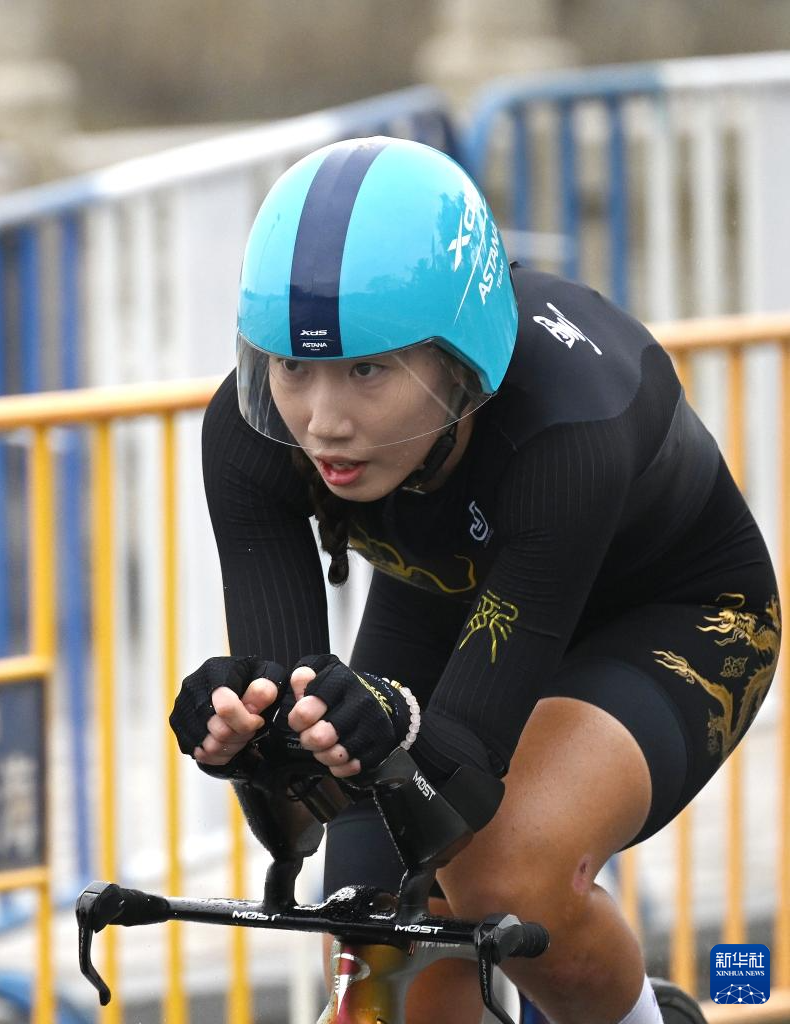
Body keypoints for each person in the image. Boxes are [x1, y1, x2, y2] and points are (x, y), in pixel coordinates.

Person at [169, 136, 780, 1024]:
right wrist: (245, 732)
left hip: (670, 611)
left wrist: (390, 719)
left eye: (367, 369)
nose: (323, 422)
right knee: (373, 938)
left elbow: (460, 776)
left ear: (462, 361)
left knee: (504, 875)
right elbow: (304, 787)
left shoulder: (568, 423)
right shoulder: (251, 431)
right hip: (454, 599)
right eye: (293, 366)